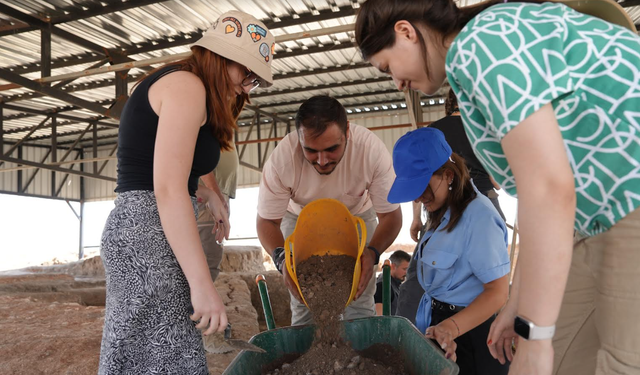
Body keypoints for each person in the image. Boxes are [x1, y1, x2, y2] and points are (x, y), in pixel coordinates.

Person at [355, 0, 640, 374]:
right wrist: (517, 306)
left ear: (406, 32)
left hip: (627, 192)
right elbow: (536, 197)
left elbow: (548, 190)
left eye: (388, 66)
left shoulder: (481, 45)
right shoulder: (469, 75)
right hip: (588, 218)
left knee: (621, 360)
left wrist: (535, 338)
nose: (396, 82)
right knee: (565, 359)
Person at [99, 10, 274, 374]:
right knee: (167, 356)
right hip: (147, 232)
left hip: (144, 226)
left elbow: (170, 170)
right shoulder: (187, 86)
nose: (246, 87)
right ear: (222, 57)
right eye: (247, 74)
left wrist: (210, 196)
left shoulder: (185, 85)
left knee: (146, 356)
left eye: (254, 81)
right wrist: (202, 285)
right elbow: (165, 188)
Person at [256, 95, 403, 325]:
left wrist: (372, 253)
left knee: (360, 296)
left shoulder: (370, 151)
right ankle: (309, 353)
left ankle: (359, 352)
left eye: (332, 149)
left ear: (347, 132)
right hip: (300, 218)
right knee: (303, 297)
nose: (322, 160)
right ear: (299, 138)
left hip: (357, 216)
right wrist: (283, 260)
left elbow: (391, 216)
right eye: (311, 151)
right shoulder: (282, 160)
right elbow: (267, 222)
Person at [388, 126, 510, 373]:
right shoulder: (440, 212)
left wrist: (452, 328)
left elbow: (497, 292)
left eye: (422, 188)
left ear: (449, 175)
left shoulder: (479, 217)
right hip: (442, 330)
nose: (418, 198)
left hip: (471, 336)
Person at [401, 88, 507, 324]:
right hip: (482, 198)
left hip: (445, 208)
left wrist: (417, 219)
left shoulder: (433, 130)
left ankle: (410, 340)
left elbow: (420, 183)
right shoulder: (485, 133)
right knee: (487, 280)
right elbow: (497, 182)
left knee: (421, 280)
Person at [196, 142, 240, 283]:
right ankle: (197, 304)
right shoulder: (204, 120)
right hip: (206, 195)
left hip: (218, 192)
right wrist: (214, 192)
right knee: (205, 261)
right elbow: (198, 155)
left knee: (211, 257)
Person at [374, 250, 411, 315]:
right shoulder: (383, 285)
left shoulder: (396, 284)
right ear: (393, 266)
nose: (406, 273)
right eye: (404, 269)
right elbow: (379, 317)